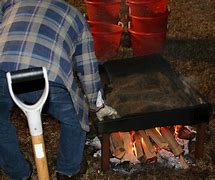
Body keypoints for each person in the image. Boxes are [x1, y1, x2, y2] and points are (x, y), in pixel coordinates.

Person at [0, 0, 118, 179]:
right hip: (48, 76)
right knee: (75, 120)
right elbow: (87, 67)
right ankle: (67, 171)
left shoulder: (14, 2)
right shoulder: (76, 17)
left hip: (2, 70)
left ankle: (18, 173)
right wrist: (96, 104)